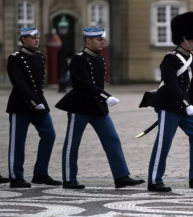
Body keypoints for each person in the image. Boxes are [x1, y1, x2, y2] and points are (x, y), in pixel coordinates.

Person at [55, 28, 145, 189]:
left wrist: (102, 98)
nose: (103, 42)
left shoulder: (99, 59)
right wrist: (105, 96)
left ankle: (121, 176)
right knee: (72, 143)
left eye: (103, 39)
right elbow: (83, 83)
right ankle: (69, 179)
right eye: (99, 40)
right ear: (88, 41)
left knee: (112, 139)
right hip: (80, 106)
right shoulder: (78, 59)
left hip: (97, 107)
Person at [142, 12, 193, 192]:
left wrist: (192, 104)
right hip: (169, 105)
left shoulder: (191, 58)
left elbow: (190, 87)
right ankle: (154, 180)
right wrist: (186, 105)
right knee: (164, 142)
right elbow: (171, 85)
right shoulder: (170, 58)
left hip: (184, 107)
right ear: (183, 39)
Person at [6, 27, 61, 188]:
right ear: (23, 39)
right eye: (32, 38)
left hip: (40, 104)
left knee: (49, 135)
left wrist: (39, 102)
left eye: (37, 37)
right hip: (21, 105)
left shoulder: (40, 57)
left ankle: (40, 173)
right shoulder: (15, 58)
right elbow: (19, 83)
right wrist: (33, 101)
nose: (36, 40)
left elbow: (38, 84)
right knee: (18, 141)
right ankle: (16, 176)